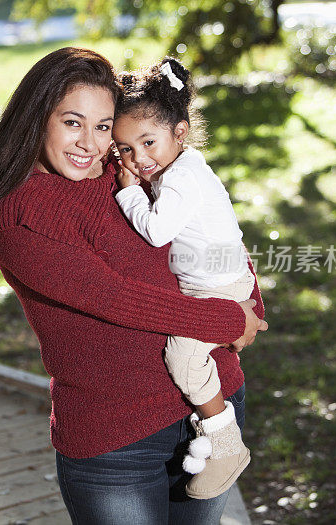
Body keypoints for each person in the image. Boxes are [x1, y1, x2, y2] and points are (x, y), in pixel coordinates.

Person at [0, 47, 267, 524]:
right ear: (38, 118)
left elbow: (208, 225)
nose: (89, 142)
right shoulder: (18, 215)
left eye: (103, 126)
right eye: (72, 122)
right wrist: (227, 318)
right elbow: (111, 297)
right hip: (117, 443)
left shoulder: (122, 168)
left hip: (212, 409)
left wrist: (249, 292)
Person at [112, 57, 258, 500]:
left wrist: (127, 192)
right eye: (125, 150)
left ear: (181, 131)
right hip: (217, 281)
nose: (139, 159)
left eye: (148, 142)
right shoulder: (183, 167)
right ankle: (207, 438)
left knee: (184, 359)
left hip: (218, 288)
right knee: (189, 356)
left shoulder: (182, 180)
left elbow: (156, 231)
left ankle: (226, 444)